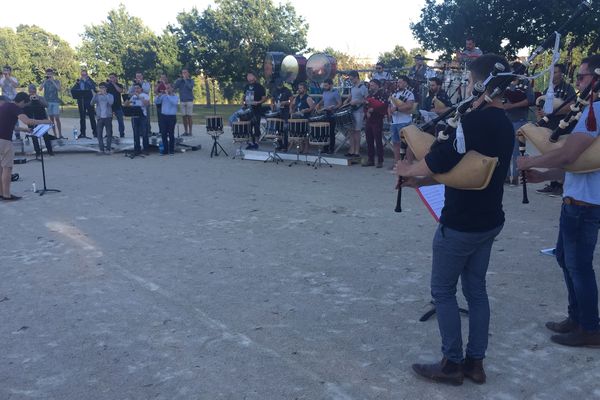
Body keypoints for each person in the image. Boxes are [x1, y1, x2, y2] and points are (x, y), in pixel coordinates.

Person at [397, 54, 514, 385]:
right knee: (476, 290)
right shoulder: (503, 124)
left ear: (478, 84)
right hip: (490, 219)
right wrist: (419, 181)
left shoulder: (472, 123)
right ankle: (475, 363)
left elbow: (438, 160)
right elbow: (462, 170)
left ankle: (451, 363)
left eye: (467, 80)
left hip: (461, 221)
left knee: (443, 290)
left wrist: (409, 169)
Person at [517, 55, 600, 348]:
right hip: (577, 199)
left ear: (597, 78)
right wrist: (544, 174)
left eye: (582, 76)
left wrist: (531, 162)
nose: (578, 82)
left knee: (579, 266)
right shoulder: (592, 109)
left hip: (585, 205)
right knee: (568, 261)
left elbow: (568, 155)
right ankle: (577, 318)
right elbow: (578, 165)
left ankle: (590, 327)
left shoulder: (596, 111)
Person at [0, 92, 51, 201]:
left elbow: (10, 125)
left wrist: (25, 129)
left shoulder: (5, 106)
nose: (24, 107)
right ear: (22, 101)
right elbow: (27, 120)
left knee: (1, 168)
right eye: (25, 104)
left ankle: (1, 193)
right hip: (4, 141)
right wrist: (44, 121)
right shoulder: (15, 108)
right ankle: (6, 195)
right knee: (7, 168)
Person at [535, 63, 577, 196]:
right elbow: (541, 106)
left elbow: (571, 106)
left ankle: (560, 185)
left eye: (556, 72)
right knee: (549, 155)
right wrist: (540, 115)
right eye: (552, 72)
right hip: (549, 127)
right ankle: (553, 184)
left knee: (559, 156)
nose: (553, 75)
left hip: (562, 128)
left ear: (562, 74)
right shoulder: (549, 89)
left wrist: (551, 111)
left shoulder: (567, 88)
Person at [503, 61, 534, 185]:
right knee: (505, 149)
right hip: (506, 119)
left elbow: (530, 100)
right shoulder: (506, 84)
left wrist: (512, 106)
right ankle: (505, 176)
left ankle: (515, 177)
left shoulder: (525, 82)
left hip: (519, 120)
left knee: (517, 150)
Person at [388, 75, 415, 167]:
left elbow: (409, 106)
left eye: (400, 82)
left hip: (404, 121)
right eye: (398, 82)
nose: (398, 84)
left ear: (405, 83)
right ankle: (397, 163)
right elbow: (390, 105)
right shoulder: (394, 94)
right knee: (396, 143)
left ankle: (408, 164)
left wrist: (396, 109)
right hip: (394, 121)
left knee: (406, 144)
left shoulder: (409, 94)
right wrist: (389, 111)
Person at [343, 70, 368, 158]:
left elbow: (367, 100)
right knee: (350, 131)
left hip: (359, 112)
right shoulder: (353, 87)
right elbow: (351, 95)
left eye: (352, 79)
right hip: (351, 111)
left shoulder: (363, 87)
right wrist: (347, 100)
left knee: (357, 132)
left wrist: (358, 101)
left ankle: (357, 151)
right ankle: (351, 150)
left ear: (356, 77)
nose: (351, 80)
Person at [24, 84, 54, 157]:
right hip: (31, 119)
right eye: (31, 91)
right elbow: (24, 106)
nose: (32, 92)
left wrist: (38, 100)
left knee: (45, 135)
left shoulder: (40, 98)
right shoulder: (26, 99)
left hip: (42, 119)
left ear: (36, 90)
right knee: (34, 136)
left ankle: (50, 151)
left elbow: (46, 105)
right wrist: (30, 101)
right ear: (28, 91)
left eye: (33, 91)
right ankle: (37, 152)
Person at [315, 78, 342, 154]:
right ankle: (325, 147)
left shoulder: (335, 92)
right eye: (324, 85)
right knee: (324, 131)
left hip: (332, 114)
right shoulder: (325, 92)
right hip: (325, 112)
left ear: (331, 85)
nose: (325, 87)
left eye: (326, 85)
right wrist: (319, 104)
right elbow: (324, 99)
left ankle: (331, 148)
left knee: (331, 132)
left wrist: (333, 107)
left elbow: (340, 103)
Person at [243, 71, 267, 149]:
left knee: (256, 125)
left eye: (250, 75)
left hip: (256, 109)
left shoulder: (259, 87)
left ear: (254, 77)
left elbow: (264, 99)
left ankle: (257, 142)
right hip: (248, 109)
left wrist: (258, 102)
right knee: (248, 126)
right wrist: (243, 103)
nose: (249, 77)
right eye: (248, 76)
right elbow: (243, 97)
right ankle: (250, 142)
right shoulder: (246, 86)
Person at [70, 70, 97, 139]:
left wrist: (86, 81)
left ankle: (95, 133)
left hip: (89, 101)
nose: (83, 76)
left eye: (84, 75)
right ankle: (82, 133)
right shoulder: (79, 82)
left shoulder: (90, 81)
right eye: (82, 75)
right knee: (82, 118)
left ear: (87, 75)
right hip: (81, 101)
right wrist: (77, 84)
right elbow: (73, 90)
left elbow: (93, 87)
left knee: (92, 117)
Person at [125, 83, 150, 156]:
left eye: (137, 88)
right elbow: (126, 104)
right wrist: (127, 99)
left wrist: (138, 96)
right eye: (135, 88)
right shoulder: (133, 96)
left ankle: (146, 149)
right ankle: (137, 149)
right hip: (134, 116)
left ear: (141, 89)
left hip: (143, 117)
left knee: (144, 133)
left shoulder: (145, 95)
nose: (136, 89)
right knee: (136, 134)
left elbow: (146, 104)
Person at [155, 83, 178, 155]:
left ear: (172, 89)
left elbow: (174, 103)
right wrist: (158, 96)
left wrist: (167, 95)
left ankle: (171, 150)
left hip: (171, 117)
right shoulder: (164, 96)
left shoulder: (175, 97)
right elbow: (156, 102)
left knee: (171, 133)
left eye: (168, 88)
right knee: (163, 134)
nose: (167, 89)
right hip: (163, 116)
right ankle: (165, 150)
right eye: (166, 88)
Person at [90, 82, 114, 154]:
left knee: (109, 134)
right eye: (100, 87)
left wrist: (105, 95)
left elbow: (111, 103)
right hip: (100, 117)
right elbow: (91, 103)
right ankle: (101, 149)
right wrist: (95, 95)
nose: (101, 89)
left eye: (103, 87)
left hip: (108, 117)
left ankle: (108, 149)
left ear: (106, 88)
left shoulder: (110, 95)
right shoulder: (97, 96)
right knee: (99, 134)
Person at [39, 68, 63, 138]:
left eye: (50, 74)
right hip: (47, 102)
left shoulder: (56, 81)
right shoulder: (45, 81)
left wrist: (52, 81)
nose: (49, 75)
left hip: (55, 101)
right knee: (51, 119)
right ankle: (55, 134)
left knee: (57, 117)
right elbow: (40, 89)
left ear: (52, 74)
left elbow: (59, 89)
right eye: (47, 74)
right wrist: (45, 81)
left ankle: (60, 134)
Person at [270, 79, 293, 150]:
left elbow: (291, 100)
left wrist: (285, 102)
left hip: (285, 111)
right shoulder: (275, 90)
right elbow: (272, 99)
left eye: (280, 84)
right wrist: (272, 105)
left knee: (285, 129)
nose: (278, 86)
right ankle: (280, 144)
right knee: (277, 128)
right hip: (277, 111)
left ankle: (285, 146)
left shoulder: (287, 90)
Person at [173, 69, 194, 136]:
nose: (183, 74)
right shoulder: (180, 81)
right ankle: (186, 131)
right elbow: (174, 87)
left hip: (189, 100)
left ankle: (190, 131)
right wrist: (178, 80)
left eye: (185, 72)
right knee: (184, 116)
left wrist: (185, 80)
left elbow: (190, 87)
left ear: (188, 73)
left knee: (189, 116)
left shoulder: (191, 80)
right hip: (182, 100)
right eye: (182, 73)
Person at [106, 73, 125, 138]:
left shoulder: (120, 85)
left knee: (120, 121)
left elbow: (120, 91)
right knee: (108, 122)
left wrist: (114, 84)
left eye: (113, 77)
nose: (111, 79)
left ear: (116, 78)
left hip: (118, 106)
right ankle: (109, 134)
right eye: (110, 77)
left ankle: (122, 134)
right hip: (110, 107)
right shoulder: (107, 86)